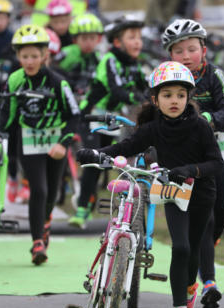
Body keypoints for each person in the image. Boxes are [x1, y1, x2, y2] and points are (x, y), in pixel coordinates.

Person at [76, 61, 222, 308]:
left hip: (202, 193)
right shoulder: (153, 128)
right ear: (155, 100)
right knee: (180, 248)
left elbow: (216, 164)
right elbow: (126, 146)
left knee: (193, 249)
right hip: (173, 193)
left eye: (180, 95)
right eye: (167, 96)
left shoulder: (200, 127)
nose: (175, 101)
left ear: (188, 97)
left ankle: (191, 288)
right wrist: (96, 154)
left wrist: (190, 170)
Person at [162, 18, 224, 308]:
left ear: (204, 49)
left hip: (221, 154)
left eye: (191, 49)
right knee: (204, 220)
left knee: (220, 214)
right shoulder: (167, 78)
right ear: (170, 55)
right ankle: (208, 282)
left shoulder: (216, 76)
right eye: (178, 51)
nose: (186, 56)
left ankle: (205, 250)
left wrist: (206, 120)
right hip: (189, 161)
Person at [0, 24, 80, 265]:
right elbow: (8, 111)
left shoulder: (58, 82)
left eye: (35, 56)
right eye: (25, 56)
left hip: (56, 141)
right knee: (39, 189)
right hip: (30, 141)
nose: (30, 61)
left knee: (52, 194)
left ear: (45, 55)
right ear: (18, 57)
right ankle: (37, 243)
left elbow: (74, 116)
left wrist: (64, 144)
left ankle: (45, 224)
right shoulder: (15, 79)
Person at [69, 15, 148, 227]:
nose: (138, 42)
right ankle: (83, 209)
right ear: (117, 42)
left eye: (139, 37)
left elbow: (145, 87)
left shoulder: (134, 64)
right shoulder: (109, 60)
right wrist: (139, 99)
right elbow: (117, 90)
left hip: (113, 118)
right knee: (95, 162)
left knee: (118, 162)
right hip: (91, 115)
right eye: (132, 37)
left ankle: (126, 208)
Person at [51, 12, 103, 92]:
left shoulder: (98, 56)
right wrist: (72, 84)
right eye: (84, 39)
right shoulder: (67, 52)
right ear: (75, 40)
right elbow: (51, 68)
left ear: (98, 39)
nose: (88, 43)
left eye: (92, 38)